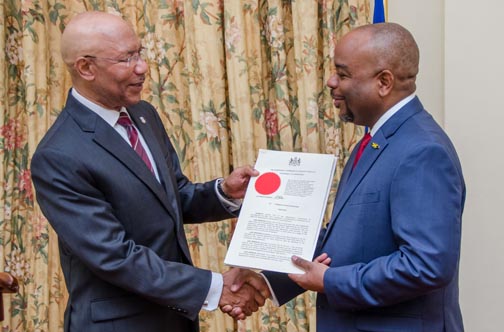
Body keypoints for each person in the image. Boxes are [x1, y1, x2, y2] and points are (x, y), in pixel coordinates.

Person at [30, 11, 269, 332]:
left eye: (139, 53)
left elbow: (173, 198)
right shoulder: (58, 155)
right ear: (85, 67)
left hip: (174, 319)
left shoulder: (144, 115)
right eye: (126, 59)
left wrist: (223, 192)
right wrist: (215, 287)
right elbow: (114, 256)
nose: (142, 67)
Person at [236, 22, 466, 331]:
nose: (331, 82)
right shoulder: (375, 141)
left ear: (384, 82)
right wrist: (268, 282)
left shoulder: (422, 151)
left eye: (343, 74)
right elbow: (344, 242)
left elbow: (425, 266)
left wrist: (331, 281)